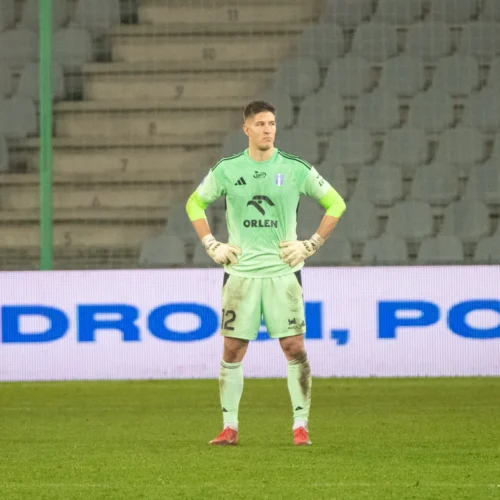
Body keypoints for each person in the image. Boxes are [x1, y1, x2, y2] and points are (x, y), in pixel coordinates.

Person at [185, 100, 346, 446]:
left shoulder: (295, 168)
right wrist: (212, 244)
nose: (268, 129)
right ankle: (229, 427)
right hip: (240, 274)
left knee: (294, 347)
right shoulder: (228, 169)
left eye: (271, 123)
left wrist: (311, 244)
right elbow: (194, 203)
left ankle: (300, 426)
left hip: (283, 273)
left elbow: (336, 203)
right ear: (246, 129)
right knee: (232, 349)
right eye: (260, 124)